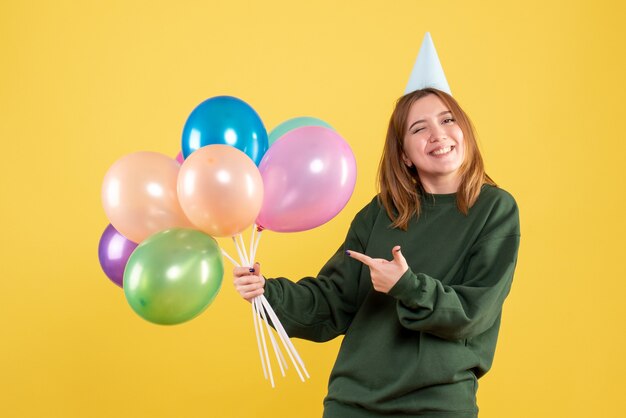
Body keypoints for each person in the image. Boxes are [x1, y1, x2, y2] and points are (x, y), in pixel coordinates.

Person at [233, 87, 520, 418]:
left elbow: (474, 311)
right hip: (353, 403)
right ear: (404, 155)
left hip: (436, 405)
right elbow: (333, 300)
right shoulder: (381, 212)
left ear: (464, 130)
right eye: (419, 128)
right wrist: (268, 292)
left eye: (447, 119)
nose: (437, 134)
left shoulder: (495, 209)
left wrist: (407, 286)